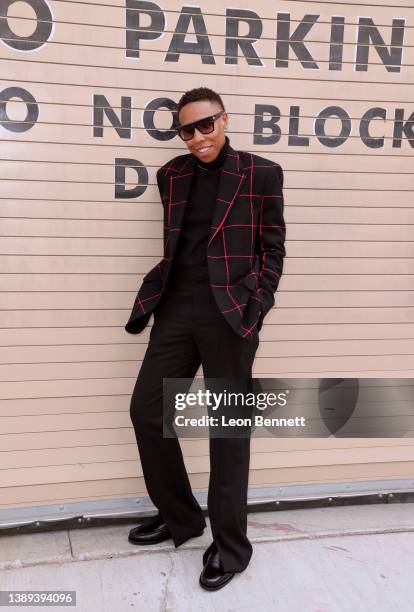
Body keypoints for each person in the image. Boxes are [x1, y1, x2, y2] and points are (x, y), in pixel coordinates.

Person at [125, 87, 286, 590]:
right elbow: (177, 244)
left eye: (206, 125)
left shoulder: (261, 173)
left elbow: (272, 249)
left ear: (224, 120)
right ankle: (182, 517)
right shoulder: (170, 175)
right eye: (187, 129)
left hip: (231, 315)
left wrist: (256, 308)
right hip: (176, 309)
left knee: (228, 431)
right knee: (148, 411)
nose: (197, 137)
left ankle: (231, 547)